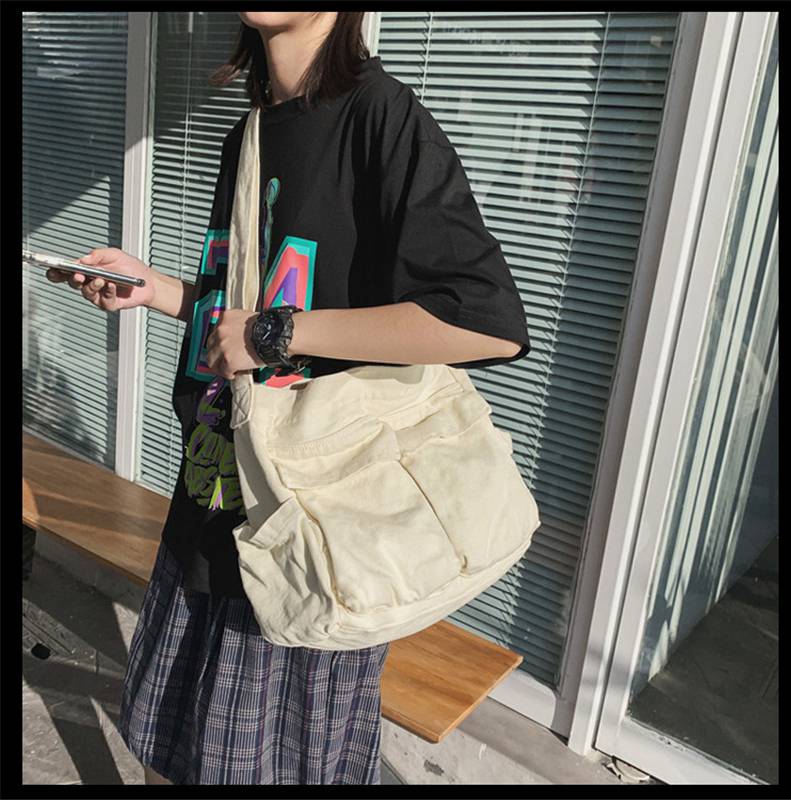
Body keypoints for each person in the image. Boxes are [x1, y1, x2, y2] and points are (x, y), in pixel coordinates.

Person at [46, 10, 531, 785]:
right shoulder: (251, 131)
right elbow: (244, 313)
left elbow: (483, 322)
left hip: (310, 539)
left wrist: (275, 333)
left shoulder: (380, 116)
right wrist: (157, 289)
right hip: (210, 505)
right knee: (172, 758)